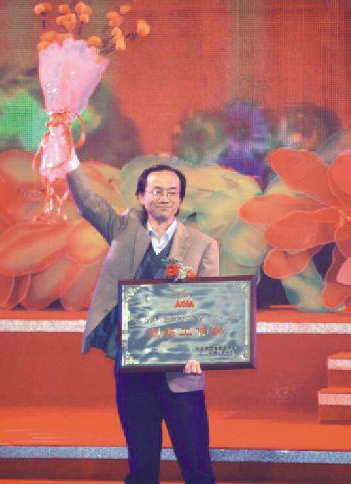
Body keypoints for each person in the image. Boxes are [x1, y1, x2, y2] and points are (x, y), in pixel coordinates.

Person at [67, 159, 218, 483]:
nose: (165, 198)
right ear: (141, 196)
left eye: (172, 192)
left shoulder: (203, 245)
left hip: (182, 371)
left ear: (180, 200)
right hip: (133, 368)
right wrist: (68, 160)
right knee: (141, 468)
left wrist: (200, 352)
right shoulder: (123, 229)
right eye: (157, 191)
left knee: (197, 467)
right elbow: (89, 203)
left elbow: (208, 305)